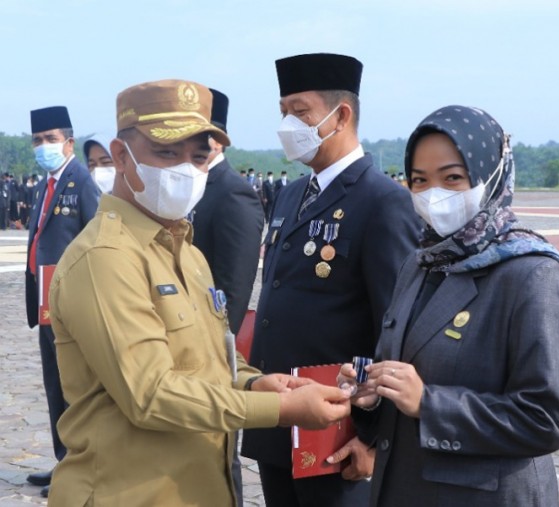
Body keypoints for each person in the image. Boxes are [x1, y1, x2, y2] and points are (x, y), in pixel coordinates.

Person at [47, 79, 351, 507]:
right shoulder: (105, 258)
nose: (184, 169)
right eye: (167, 153)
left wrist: (258, 383)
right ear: (120, 156)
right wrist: (283, 411)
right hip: (130, 492)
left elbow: (210, 360)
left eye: (198, 156)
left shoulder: (187, 252)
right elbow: (151, 394)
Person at [335, 105, 559, 506]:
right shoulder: (420, 262)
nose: (434, 195)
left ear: (492, 176)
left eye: (452, 178)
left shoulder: (531, 273)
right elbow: (401, 374)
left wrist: (430, 404)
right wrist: (373, 395)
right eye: (419, 180)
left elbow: (546, 419)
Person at [241, 53, 420, 507]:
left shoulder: (381, 201)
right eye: (283, 111)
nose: (288, 124)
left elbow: (394, 327)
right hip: (280, 417)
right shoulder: (291, 194)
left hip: (337, 432)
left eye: (300, 112)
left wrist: (374, 436)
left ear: (341, 116)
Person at [190, 87, 265, 506]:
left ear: (216, 137)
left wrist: (215, 352)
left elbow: (232, 292)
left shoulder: (231, 192)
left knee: (220, 456)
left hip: (213, 354)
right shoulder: (193, 184)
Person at [25, 106, 100, 497]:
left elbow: (97, 241)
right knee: (54, 386)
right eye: (37, 140)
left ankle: (79, 467)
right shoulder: (44, 185)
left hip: (70, 306)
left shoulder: (81, 182)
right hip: (45, 304)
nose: (43, 146)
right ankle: (62, 462)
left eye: (50, 139)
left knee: (74, 390)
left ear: (68, 142)